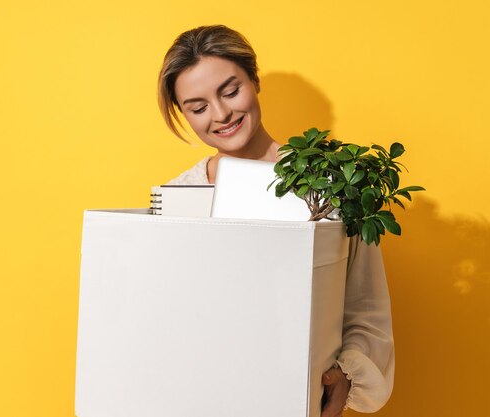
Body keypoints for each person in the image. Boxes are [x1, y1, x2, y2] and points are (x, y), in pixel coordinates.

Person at [157, 25, 395, 416]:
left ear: (254, 80)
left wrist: (347, 377)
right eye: (197, 108)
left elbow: (367, 310)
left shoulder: (333, 184)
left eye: (231, 91)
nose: (221, 114)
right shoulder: (179, 196)